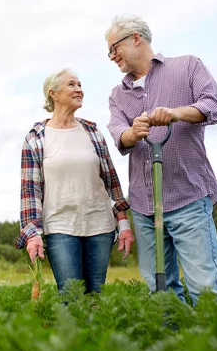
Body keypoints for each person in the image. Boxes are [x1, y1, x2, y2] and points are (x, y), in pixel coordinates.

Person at [104, 14, 217, 308]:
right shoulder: (117, 95)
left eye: (114, 48)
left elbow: (213, 103)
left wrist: (176, 113)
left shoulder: (187, 66)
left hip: (186, 197)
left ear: (136, 38)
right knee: (161, 290)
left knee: (205, 288)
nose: (112, 57)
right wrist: (132, 133)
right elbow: (117, 133)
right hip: (144, 207)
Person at [15, 68, 135, 294]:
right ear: (54, 94)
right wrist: (32, 235)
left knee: (95, 295)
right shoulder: (36, 137)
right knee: (70, 295)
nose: (79, 89)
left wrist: (124, 223)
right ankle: (72, 330)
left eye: (80, 84)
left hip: (99, 224)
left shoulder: (92, 131)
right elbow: (30, 192)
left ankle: (94, 330)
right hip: (59, 225)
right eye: (72, 84)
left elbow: (111, 180)